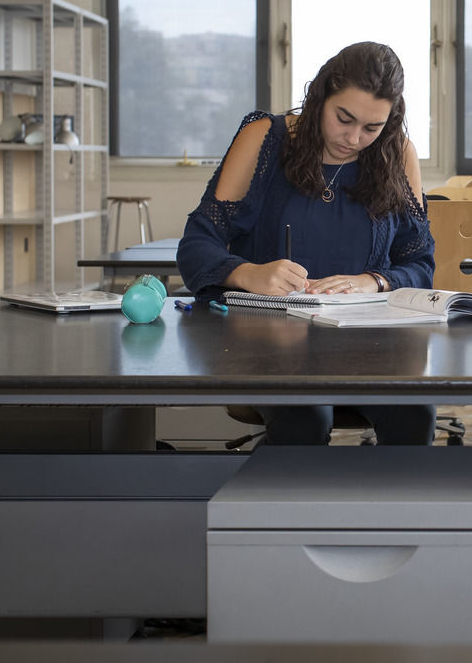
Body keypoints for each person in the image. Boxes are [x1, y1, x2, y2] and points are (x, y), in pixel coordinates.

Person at [176, 41, 436, 446]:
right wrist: (246, 273)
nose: (353, 138)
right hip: (270, 344)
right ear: (320, 96)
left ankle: (386, 509)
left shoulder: (397, 154)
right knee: (303, 417)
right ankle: (291, 507)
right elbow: (196, 245)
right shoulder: (265, 138)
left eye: (372, 127)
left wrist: (374, 281)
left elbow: (420, 263)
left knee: (415, 414)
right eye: (343, 118)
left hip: (368, 345)